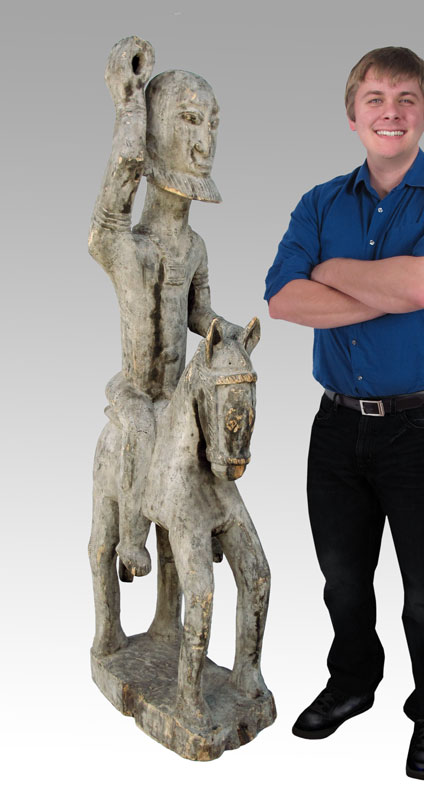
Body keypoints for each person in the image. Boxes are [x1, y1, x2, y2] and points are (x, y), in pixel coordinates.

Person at [265, 46, 424, 780]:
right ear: (353, 115)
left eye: (407, 98)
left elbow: (419, 288)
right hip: (335, 426)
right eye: (376, 99)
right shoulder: (320, 202)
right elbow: (282, 298)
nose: (391, 112)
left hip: (419, 426)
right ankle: (354, 683)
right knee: (343, 579)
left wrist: (328, 272)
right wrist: (385, 287)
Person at [88, 37, 240, 578]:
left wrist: (226, 329)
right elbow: (110, 211)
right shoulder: (127, 246)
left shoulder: (195, 247)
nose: (205, 142)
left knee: (212, 431)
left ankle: (210, 519)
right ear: (159, 134)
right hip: (137, 391)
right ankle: (132, 539)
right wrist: (130, 106)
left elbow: (199, 313)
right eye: (190, 121)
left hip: (176, 392)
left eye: (212, 125)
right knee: (143, 429)